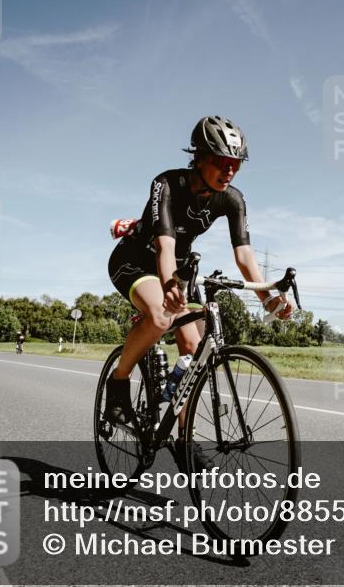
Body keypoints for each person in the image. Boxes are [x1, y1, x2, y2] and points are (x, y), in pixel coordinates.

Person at [105, 116, 293, 432]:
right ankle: (118, 384)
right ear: (200, 157)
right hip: (137, 260)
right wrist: (168, 286)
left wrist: (267, 298)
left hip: (180, 270)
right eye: (221, 161)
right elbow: (165, 246)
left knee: (194, 352)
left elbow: (244, 255)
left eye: (236, 163)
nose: (229, 170)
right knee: (162, 316)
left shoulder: (232, 198)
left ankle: (184, 440)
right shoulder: (165, 184)